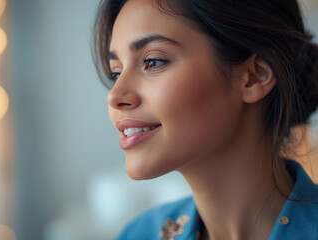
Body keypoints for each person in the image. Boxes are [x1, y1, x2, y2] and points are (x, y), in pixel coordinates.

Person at [92, 0, 318, 239]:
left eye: (153, 62)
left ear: (254, 76)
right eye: (116, 73)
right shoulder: (138, 234)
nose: (114, 95)